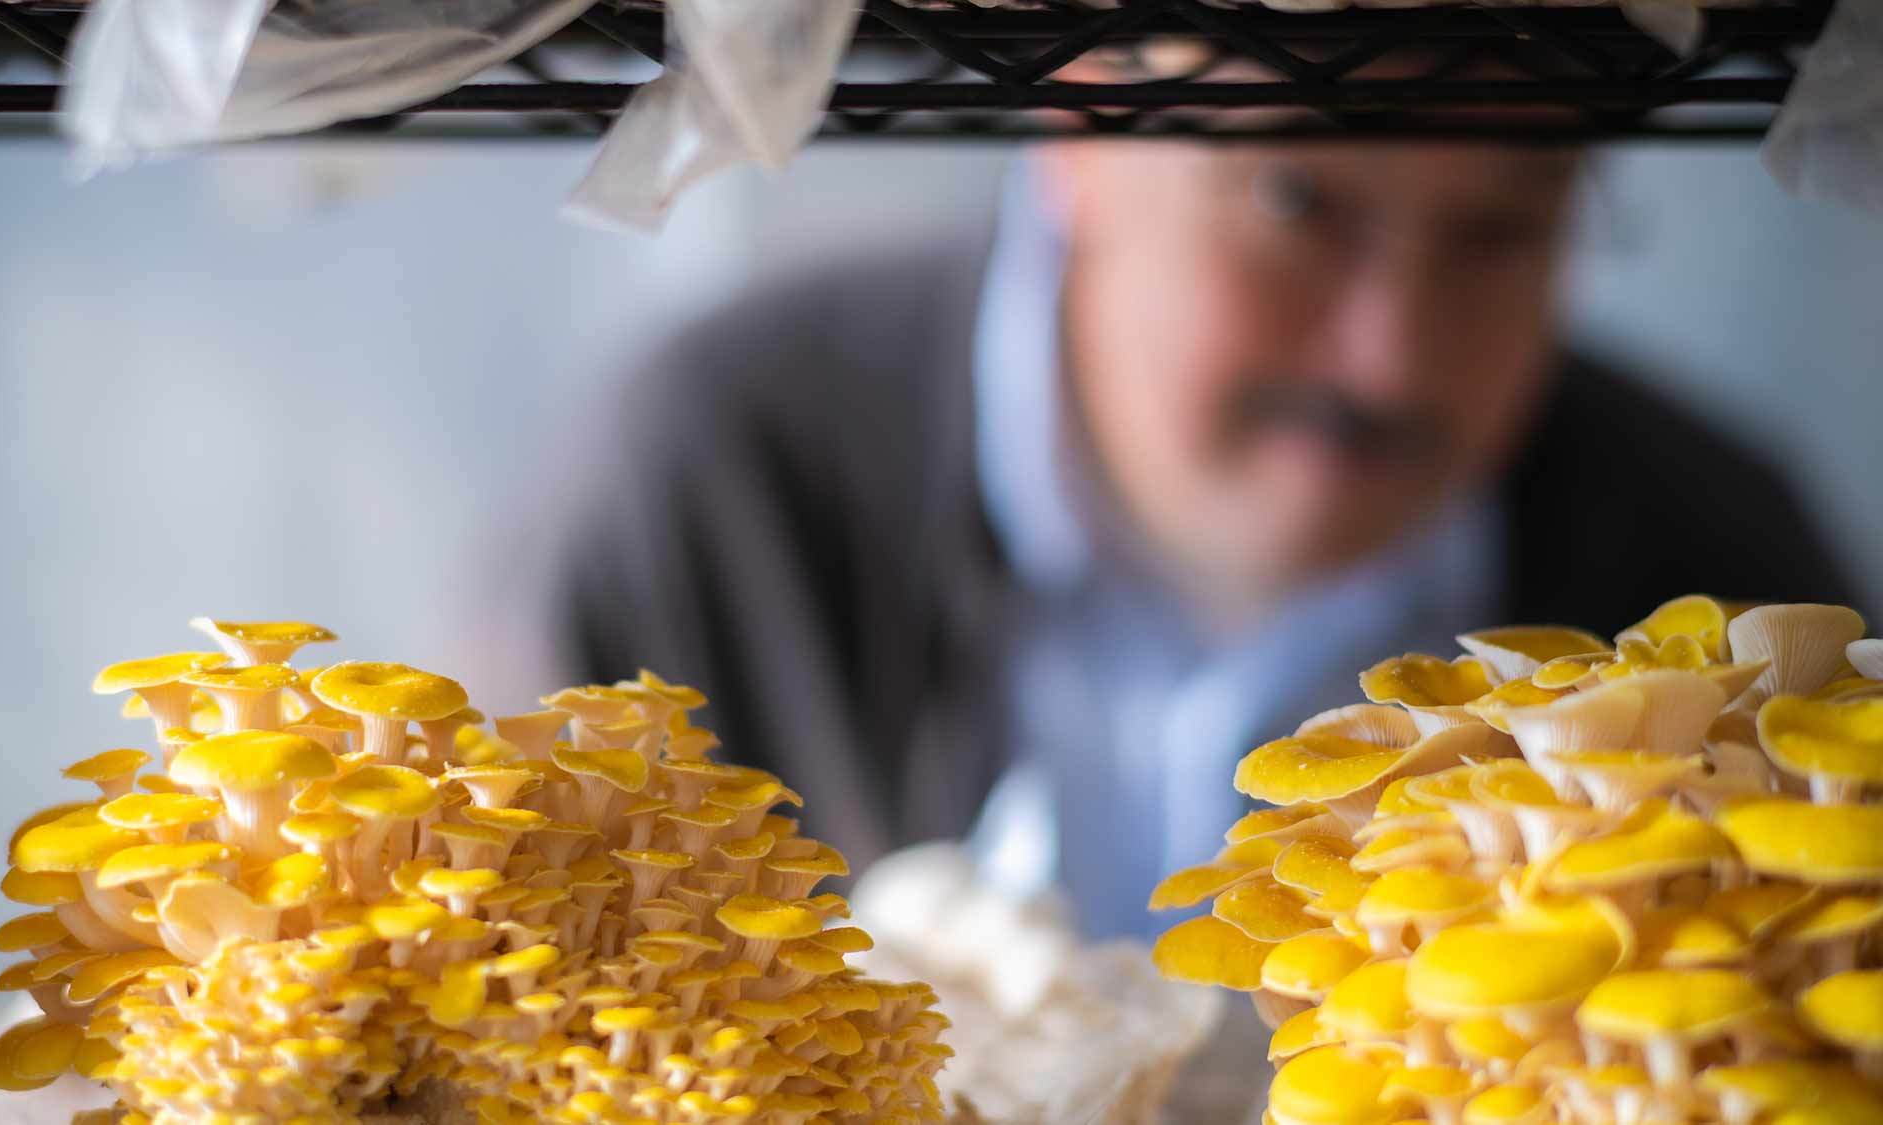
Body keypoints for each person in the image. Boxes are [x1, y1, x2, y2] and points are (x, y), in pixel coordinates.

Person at [544, 141, 1856, 941]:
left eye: (1496, 233)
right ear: (1078, 123)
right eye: (1298, 202)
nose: (1388, 352)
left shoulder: (1727, 574)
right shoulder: (718, 487)